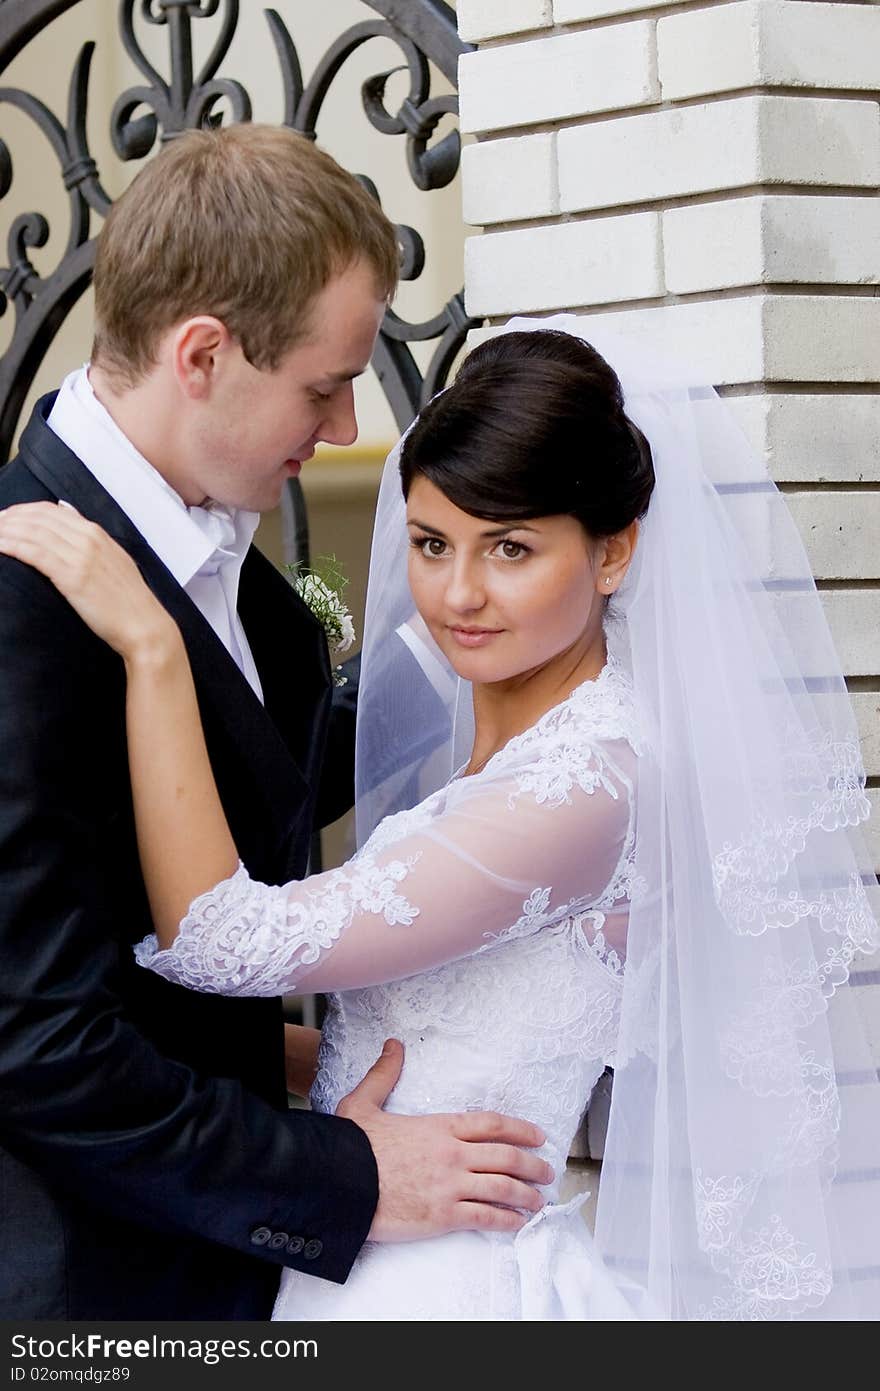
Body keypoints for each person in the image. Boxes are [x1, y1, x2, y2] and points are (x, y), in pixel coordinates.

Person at [3, 317, 879, 1320]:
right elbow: (419, 1022)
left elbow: (223, 936)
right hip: (371, 1246)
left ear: (612, 553)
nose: (458, 593)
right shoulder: (505, 753)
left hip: (445, 1279)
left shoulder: (586, 787)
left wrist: (152, 642)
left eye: (509, 547)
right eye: (430, 542)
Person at [0, 126, 551, 1322]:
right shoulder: (18, 593)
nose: (349, 426)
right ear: (202, 353)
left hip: (248, 1280)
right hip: (86, 1298)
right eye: (321, 382)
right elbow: (33, 1045)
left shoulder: (252, 591)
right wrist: (344, 1177)